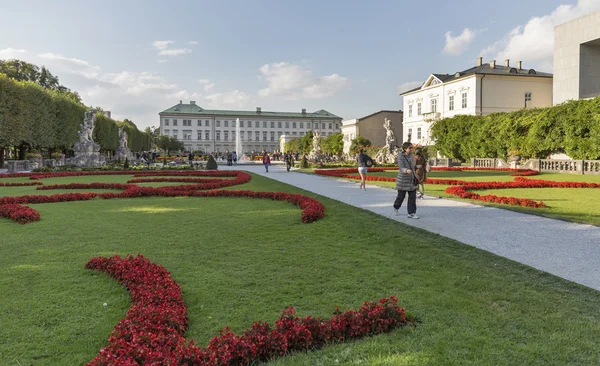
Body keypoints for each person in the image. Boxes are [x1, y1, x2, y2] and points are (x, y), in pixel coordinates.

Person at [393, 142, 419, 219]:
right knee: (401, 197)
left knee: (412, 197)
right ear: (405, 149)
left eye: (412, 147)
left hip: (412, 179)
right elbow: (400, 167)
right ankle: (396, 207)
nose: (411, 149)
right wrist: (406, 170)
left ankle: (411, 213)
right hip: (403, 180)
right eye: (410, 148)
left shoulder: (412, 156)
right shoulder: (400, 156)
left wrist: (420, 167)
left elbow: (414, 166)